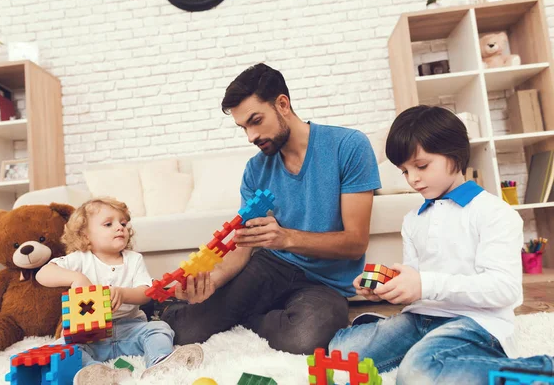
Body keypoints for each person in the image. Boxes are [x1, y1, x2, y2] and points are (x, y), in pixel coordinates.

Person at [159, 63, 381, 354]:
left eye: (255, 120)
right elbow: (243, 247)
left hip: (325, 281)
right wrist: (212, 283)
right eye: (243, 127)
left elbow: (355, 243)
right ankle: (173, 306)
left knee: (303, 339)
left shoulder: (348, 146)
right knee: (186, 331)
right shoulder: (255, 169)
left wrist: (286, 238)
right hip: (270, 268)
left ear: (282, 104)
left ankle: (246, 316)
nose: (250, 136)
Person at [329, 105, 554, 384]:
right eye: (405, 171)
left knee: (416, 376)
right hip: (420, 316)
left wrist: (425, 284)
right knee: (341, 352)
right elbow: (414, 280)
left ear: (455, 155)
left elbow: (505, 290)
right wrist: (388, 287)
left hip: (475, 322)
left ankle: (543, 369)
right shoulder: (413, 219)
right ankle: (426, 349)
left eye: (421, 166)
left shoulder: (494, 213)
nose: (413, 179)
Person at [36, 197, 203, 384]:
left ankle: (161, 362)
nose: (120, 227)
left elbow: (145, 293)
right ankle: (95, 373)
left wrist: (123, 294)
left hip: (130, 329)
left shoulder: (133, 259)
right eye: (108, 224)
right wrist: (76, 278)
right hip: (91, 337)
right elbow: (42, 273)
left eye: (123, 223)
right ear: (85, 236)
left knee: (159, 328)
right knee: (63, 348)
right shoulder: (80, 259)